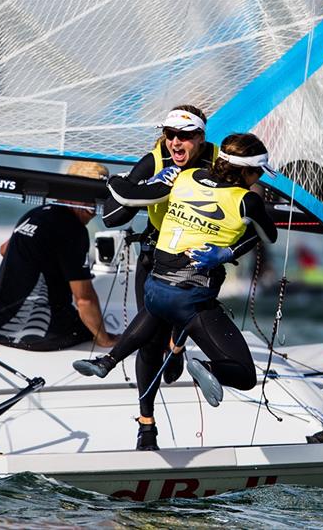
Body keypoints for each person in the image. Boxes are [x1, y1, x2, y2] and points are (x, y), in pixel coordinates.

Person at [94, 133, 278, 450]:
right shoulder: (247, 200)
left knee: (153, 325)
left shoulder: (186, 176)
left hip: (154, 284)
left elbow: (126, 194)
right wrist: (227, 252)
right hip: (190, 300)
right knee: (245, 375)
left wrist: (117, 181)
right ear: (247, 172)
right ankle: (202, 366)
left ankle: (112, 362)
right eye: (258, 173)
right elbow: (268, 235)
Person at [73, 105, 218, 381]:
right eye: (170, 134)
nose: (175, 141)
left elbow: (251, 192)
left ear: (201, 137)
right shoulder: (156, 159)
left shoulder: (217, 160)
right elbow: (112, 217)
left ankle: (176, 349)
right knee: (150, 342)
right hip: (155, 256)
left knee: (179, 322)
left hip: (198, 260)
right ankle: (146, 422)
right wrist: (148, 188)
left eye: (184, 135)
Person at [0, 161, 120, 351]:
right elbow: (84, 300)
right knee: (100, 330)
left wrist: (47, 262)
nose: (93, 208)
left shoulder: (35, 213)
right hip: (37, 334)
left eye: (97, 200)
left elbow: (4, 249)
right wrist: (105, 340)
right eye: (90, 199)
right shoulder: (73, 229)